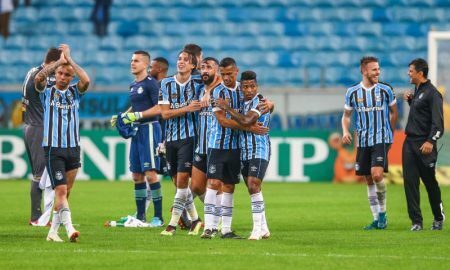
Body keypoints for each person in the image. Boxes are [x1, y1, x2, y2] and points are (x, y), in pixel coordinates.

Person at [34, 44, 90, 242]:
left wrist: (70, 59)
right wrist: (59, 61)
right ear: (55, 74)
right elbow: (38, 79)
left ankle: (52, 232)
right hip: (54, 148)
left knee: (67, 192)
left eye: (67, 75)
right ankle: (69, 229)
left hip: (73, 147)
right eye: (60, 73)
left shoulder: (75, 93)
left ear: (71, 77)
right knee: (61, 190)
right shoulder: (46, 93)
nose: (63, 77)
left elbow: (86, 80)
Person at [341, 56, 398, 230]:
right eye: (374, 69)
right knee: (368, 179)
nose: (378, 72)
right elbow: (346, 116)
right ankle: (376, 219)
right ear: (364, 70)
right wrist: (345, 131)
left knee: (377, 175)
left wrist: (390, 133)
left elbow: (394, 112)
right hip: (363, 141)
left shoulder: (385, 89)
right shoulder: (352, 92)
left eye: (378, 69)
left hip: (381, 139)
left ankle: (383, 213)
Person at [215, 70, 271, 240]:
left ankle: (256, 230)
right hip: (244, 151)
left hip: (259, 150)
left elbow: (246, 121)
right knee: (253, 188)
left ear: (257, 86)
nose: (249, 90)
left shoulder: (261, 102)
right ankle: (264, 227)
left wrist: (227, 108)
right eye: (245, 87)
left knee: (254, 185)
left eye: (252, 86)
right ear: (240, 87)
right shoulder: (241, 103)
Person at [158, 49, 203, 236]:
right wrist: (187, 108)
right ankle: (196, 220)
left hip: (189, 138)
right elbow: (165, 113)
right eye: (179, 59)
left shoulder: (198, 83)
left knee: (183, 181)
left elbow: (215, 84)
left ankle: (172, 225)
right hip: (170, 140)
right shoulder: (166, 83)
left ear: (193, 65)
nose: (181, 62)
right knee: (179, 184)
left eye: (186, 60)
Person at [118, 51, 164, 227]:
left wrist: (137, 115)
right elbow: (136, 107)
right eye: (131, 60)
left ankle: (158, 217)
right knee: (137, 175)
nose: (132, 63)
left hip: (150, 129)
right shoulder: (133, 85)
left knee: (150, 174)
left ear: (145, 64)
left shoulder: (151, 84)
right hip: (137, 131)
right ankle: (141, 216)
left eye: (136, 61)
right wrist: (124, 116)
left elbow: (159, 109)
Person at [403, 58, 445, 231]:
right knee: (410, 182)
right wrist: (411, 101)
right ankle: (416, 222)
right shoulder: (418, 90)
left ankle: (438, 217)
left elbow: (438, 123)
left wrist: (430, 141)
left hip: (424, 144)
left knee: (429, 182)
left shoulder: (433, 93)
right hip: (410, 143)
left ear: (420, 73)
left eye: (411, 71)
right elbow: (421, 115)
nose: (408, 73)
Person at [22, 47, 60, 226]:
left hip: (31, 125)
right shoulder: (39, 74)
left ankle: (41, 216)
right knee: (40, 174)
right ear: (53, 63)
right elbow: (41, 80)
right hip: (38, 127)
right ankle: (36, 217)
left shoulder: (32, 70)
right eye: (59, 66)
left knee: (41, 173)